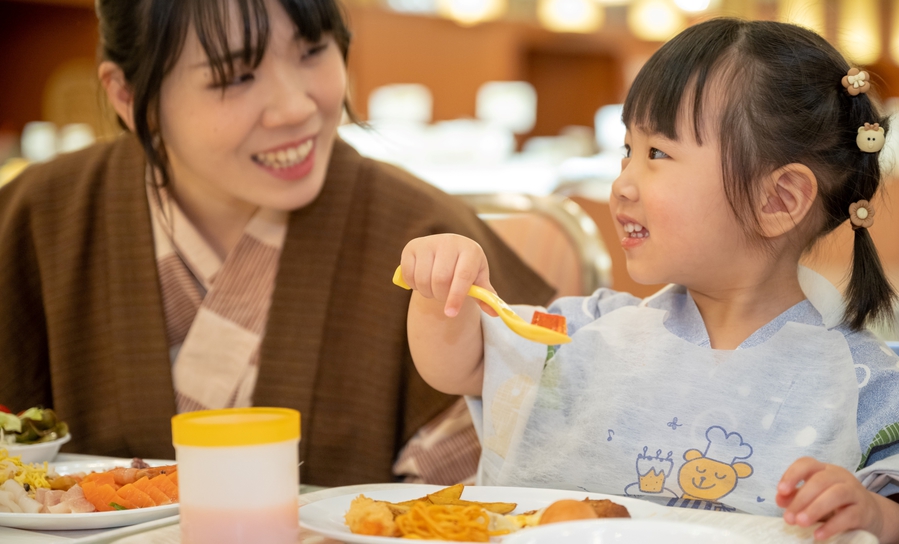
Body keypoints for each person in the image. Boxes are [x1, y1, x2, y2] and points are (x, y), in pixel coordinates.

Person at [400, 18, 899, 544]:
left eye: (656, 152)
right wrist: (444, 286)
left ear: (779, 199)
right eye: (627, 150)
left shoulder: (860, 379)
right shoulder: (592, 330)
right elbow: (464, 364)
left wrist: (879, 515)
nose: (621, 183)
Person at [0, 0, 553, 487]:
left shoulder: (424, 230)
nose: (296, 107)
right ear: (128, 94)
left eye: (312, 50)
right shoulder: (37, 217)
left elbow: (510, 481)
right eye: (236, 75)